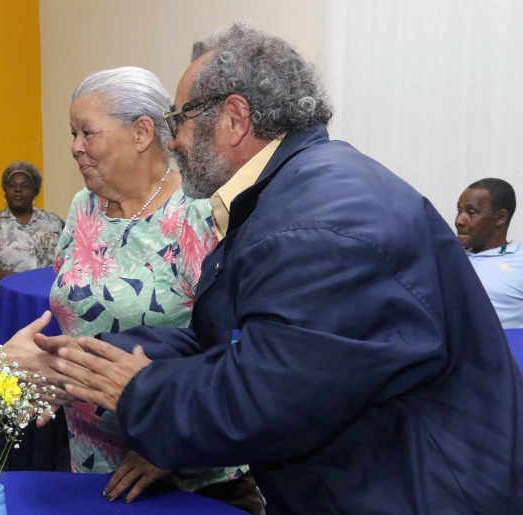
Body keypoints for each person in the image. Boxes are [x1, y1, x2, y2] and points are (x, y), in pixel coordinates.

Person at [36, 23, 523, 513]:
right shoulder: (293, 191)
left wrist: (138, 392)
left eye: (180, 119)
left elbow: (263, 402)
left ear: (234, 119)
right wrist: (90, 359)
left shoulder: (315, 225)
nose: (175, 140)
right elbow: (231, 339)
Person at [50, 66, 259, 512]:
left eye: (87, 132)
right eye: (72, 133)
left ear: (143, 132)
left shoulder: (200, 213)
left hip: (191, 478)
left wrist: (171, 443)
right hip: (91, 464)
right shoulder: (84, 206)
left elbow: (234, 346)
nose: (75, 147)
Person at [0, 161, 64, 346]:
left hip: (48, 300)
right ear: (5, 191)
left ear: (35, 192)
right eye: (12, 185)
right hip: (11, 301)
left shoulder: (53, 222)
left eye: (25, 186)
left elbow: (70, 255)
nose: (18, 190)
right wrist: (17, 280)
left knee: (48, 345)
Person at [456, 178, 522, 328]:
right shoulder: (444, 257)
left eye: (471, 212)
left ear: (500, 217)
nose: (459, 220)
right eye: (459, 211)